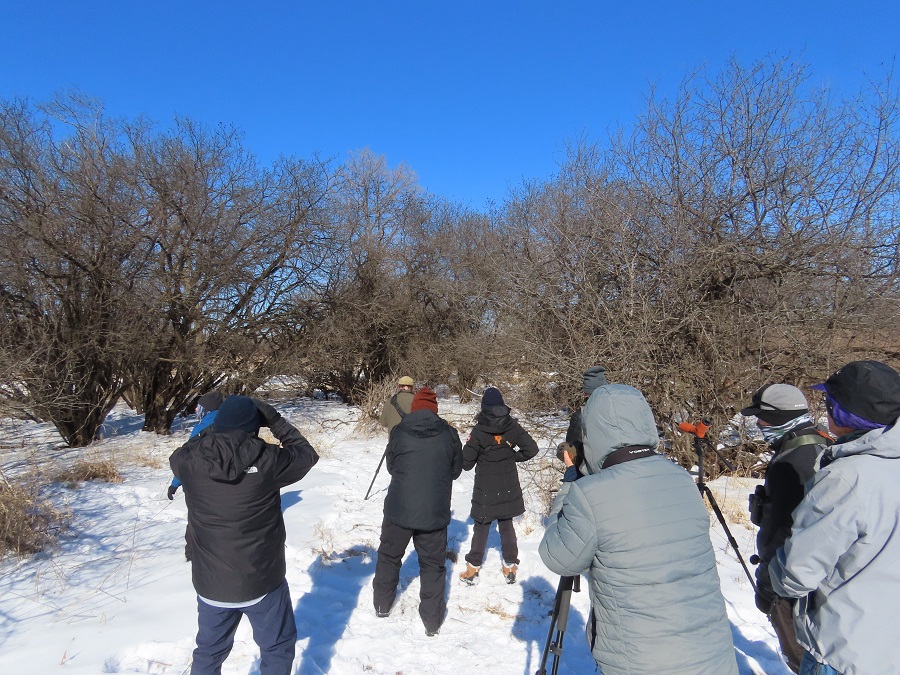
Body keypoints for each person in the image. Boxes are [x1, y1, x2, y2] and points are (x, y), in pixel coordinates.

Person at [540, 383, 738, 675]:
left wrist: (572, 480)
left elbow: (558, 556)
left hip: (643, 662)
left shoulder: (591, 494)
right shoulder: (681, 479)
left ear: (591, 433)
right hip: (713, 655)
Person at [169, 395, 319, 675]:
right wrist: (274, 421)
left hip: (211, 583)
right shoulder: (268, 460)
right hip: (262, 581)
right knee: (276, 647)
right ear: (254, 426)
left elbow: (182, 451)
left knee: (209, 652)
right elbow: (306, 455)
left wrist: (215, 425)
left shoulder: (188, 462)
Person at [769, 360, 900, 675]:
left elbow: (797, 572)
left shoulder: (845, 477)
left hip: (845, 653)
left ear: (844, 414)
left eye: (829, 403)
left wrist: (772, 572)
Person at [740, 383, 832, 673]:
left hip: (792, 582)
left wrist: (768, 583)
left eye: (763, 417)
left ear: (781, 417)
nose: (758, 424)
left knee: (802, 658)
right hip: (822, 577)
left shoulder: (791, 462)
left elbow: (781, 532)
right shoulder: (822, 443)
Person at [372, 387, 463, 636]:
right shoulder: (449, 434)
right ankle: (431, 622)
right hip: (433, 513)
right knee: (433, 566)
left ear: (414, 408)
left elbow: (391, 466)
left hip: (399, 510)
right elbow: (456, 470)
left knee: (389, 557)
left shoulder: (400, 432)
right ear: (435, 410)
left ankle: (382, 605)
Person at [459, 387, 538, 585]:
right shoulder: (512, 426)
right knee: (506, 523)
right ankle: (510, 565)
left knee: (482, 525)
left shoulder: (478, 431)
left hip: (485, 487)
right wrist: (513, 456)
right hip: (508, 484)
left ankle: (472, 569)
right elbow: (532, 449)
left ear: (483, 407)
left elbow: (466, 463)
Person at [168, 390, 224, 501]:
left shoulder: (202, 428)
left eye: (199, 407)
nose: (196, 409)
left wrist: (175, 484)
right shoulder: (234, 422)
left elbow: (188, 457)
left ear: (206, 409)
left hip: (208, 481)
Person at [557, 365, 607, 474]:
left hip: (592, 474)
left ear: (585, 393)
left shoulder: (581, 416)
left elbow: (572, 453)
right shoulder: (620, 411)